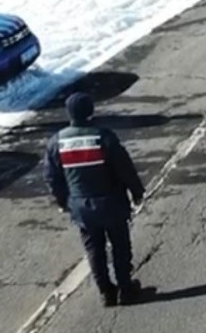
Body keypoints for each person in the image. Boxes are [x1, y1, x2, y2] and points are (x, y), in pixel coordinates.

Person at [45, 92, 147, 307]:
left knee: (94, 249)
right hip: (111, 202)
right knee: (120, 245)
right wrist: (136, 192)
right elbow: (124, 169)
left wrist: (64, 202)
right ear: (90, 111)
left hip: (81, 206)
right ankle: (125, 289)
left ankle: (106, 292)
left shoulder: (57, 142)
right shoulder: (103, 137)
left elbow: (53, 178)